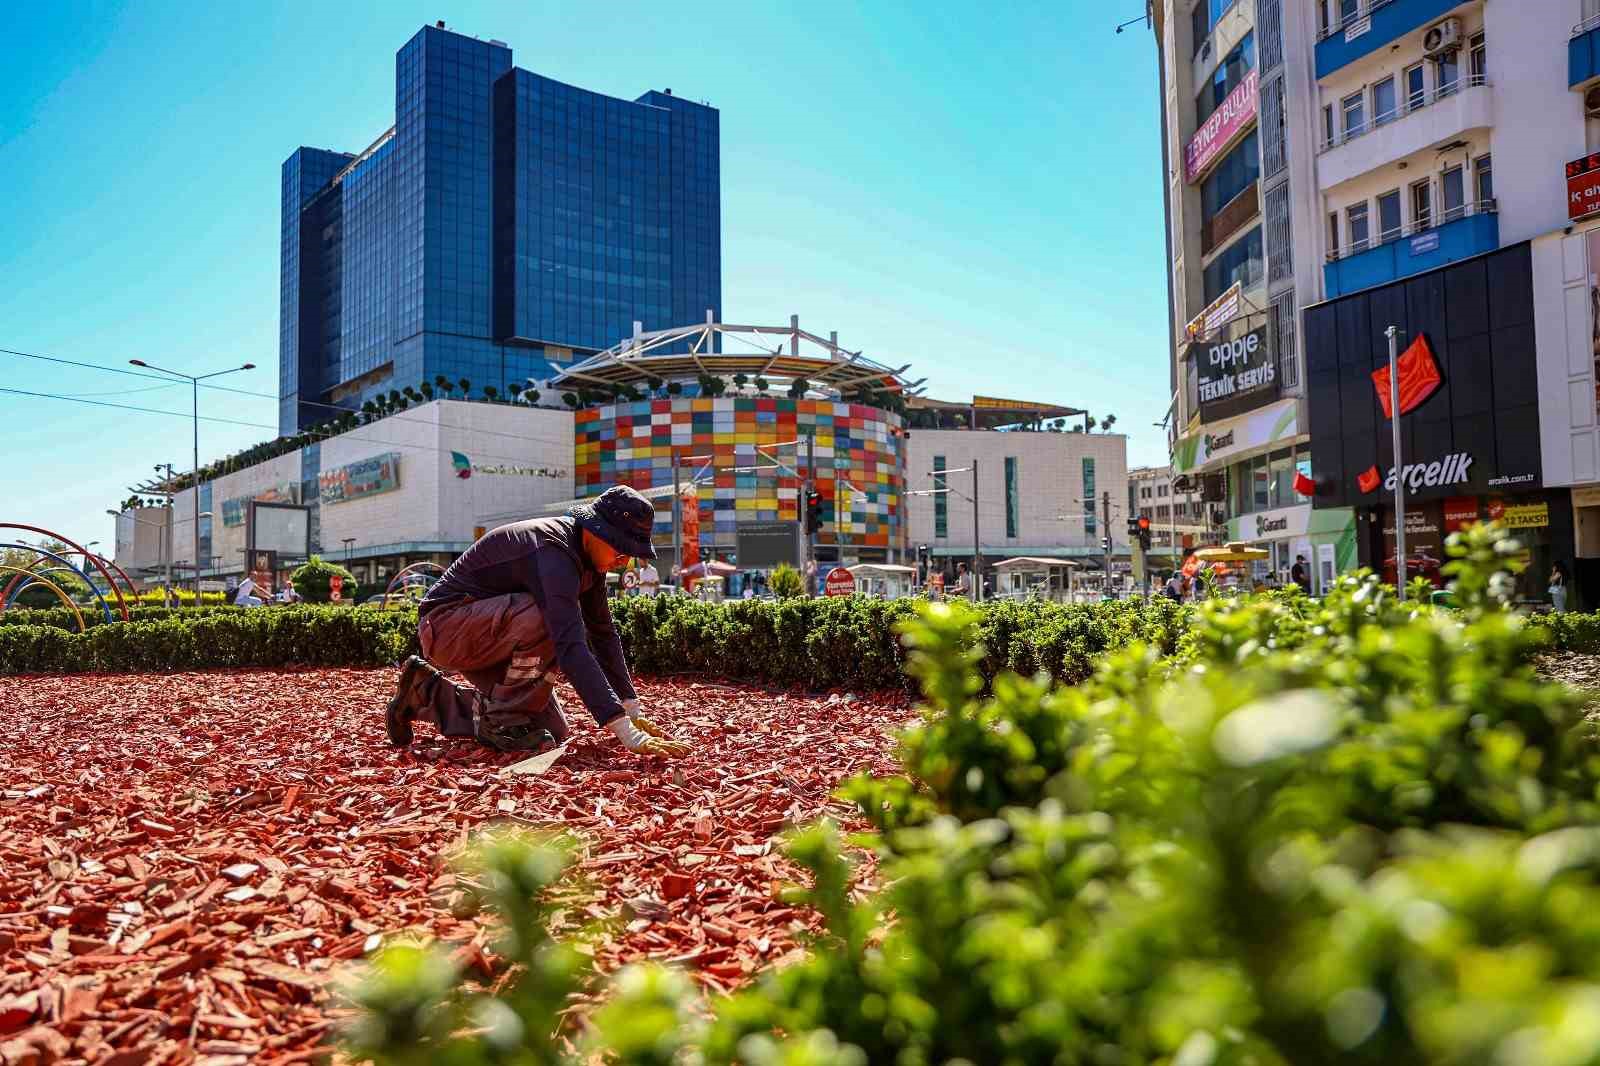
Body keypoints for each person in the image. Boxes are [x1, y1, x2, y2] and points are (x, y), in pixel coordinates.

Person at [384, 485, 690, 758]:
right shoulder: (553, 552)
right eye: (620, 550)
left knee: (549, 730)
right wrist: (624, 730)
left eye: (629, 556)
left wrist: (630, 707)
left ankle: (424, 692)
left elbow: (603, 634)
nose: (622, 562)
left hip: (484, 634)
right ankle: (504, 716)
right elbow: (570, 644)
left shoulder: (589, 560)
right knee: (547, 620)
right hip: (445, 627)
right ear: (595, 530)